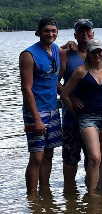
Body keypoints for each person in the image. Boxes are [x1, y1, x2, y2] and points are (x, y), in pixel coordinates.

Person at [58, 19, 102, 188]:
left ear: (93, 33)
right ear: (75, 35)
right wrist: (71, 98)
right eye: (81, 32)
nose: (85, 34)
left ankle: (96, 196)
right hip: (72, 117)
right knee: (71, 158)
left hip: (98, 115)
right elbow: (56, 81)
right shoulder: (66, 53)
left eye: (87, 31)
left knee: (96, 158)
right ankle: (70, 196)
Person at [19, 17, 62, 200]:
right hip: (35, 112)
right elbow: (26, 88)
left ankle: (45, 190)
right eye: (46, 31)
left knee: (49, 154)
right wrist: (36, 118)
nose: (50, 34)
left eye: (53, 31)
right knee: (37, 156)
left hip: (53, 110)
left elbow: (55, 81)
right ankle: (32, 196)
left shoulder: (56, 50)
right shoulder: (28, 55)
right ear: (39, 32)